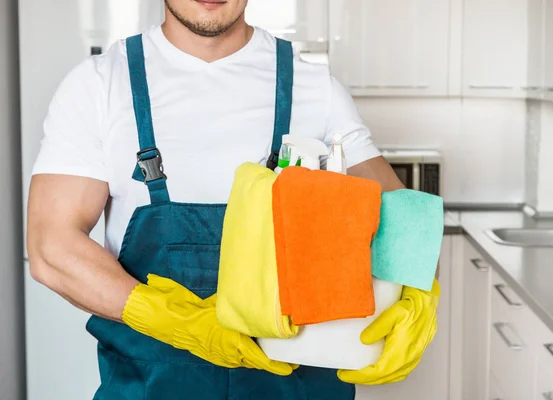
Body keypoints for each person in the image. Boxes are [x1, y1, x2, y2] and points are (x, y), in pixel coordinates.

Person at [27, 1, 440, 399]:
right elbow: (52, 246)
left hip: (298, 385)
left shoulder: (316, 89)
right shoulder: (100, 85)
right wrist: (175, 319)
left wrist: (419, 296)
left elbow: (400, 222)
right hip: (148, 386)